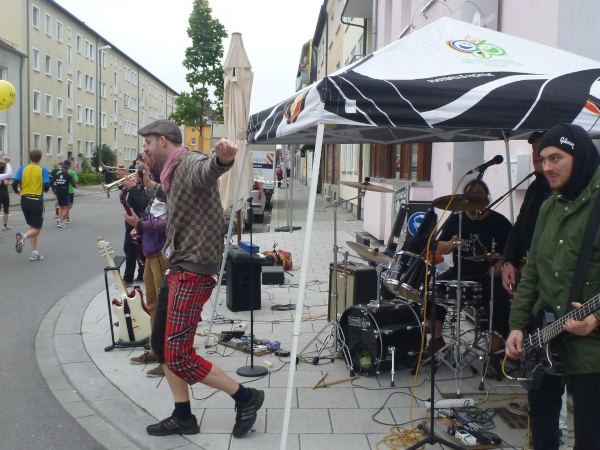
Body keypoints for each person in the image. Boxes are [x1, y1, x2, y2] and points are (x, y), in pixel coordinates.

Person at [138, 119, 264, 438]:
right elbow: (170, 193)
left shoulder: (188, 162)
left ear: (163, 141)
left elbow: (207, 170)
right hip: (179, 266)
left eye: (148, 142)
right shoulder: (170, 173)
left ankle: (246, 397)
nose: (145, 148)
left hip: (194, 269)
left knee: (179, 356)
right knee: (161, 346)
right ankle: (183, 416)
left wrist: (222, 159)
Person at [506, 123, 600, 450]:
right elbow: (533, 272)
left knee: (590, 435)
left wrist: (596, 318)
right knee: (542, 429)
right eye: (543, 158)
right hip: (544, 334)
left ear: (579, 157)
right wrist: (517, 325)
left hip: (592, 349)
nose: (546, 166)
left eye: (555, 157)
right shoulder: (549, 205)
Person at [430, 179, 513, 373]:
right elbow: (438, 247)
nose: (475, 197)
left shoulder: (500, 222)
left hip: (488, 274)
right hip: (460, 272)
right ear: (464, 198)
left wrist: (501, 265)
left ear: (487, 198)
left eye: (479, 193)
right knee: (433, 287)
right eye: (471, 193)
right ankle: (436, 339)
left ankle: (495, 351)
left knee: (499, 296)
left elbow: (513, 251)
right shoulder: (456, 219)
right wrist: (451, 244)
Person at [125, 152, 168, 378]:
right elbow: (151, 209)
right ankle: (155, 349)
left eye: (147, 153)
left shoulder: (167, 179)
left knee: (163, 307)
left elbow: (168, 221)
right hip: (151, 250)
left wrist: (140, 225)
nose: (142, 160)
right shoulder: (156, 182)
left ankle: (166, 358)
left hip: (161, 251)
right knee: (152, 305)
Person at [12, 149, 50, 261]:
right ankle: (23, 236)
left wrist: (18, 191)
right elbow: (46, 187)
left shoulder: (22, 168)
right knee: (37, 229)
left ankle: (34, 253)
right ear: (40, 158)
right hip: (36, 200)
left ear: (30, 157)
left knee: (32, 227)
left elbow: (14, 184)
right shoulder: (43, 170)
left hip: (24, 200)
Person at [116, 165, 150, 285]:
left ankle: (134, 276)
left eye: (138, 173)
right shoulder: (134, 185)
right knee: (129, 249)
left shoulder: (147, 187)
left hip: (141, 221)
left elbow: (143, 202)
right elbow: (124, 196)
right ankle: (131, 276)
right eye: (135, 172)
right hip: (130, 222)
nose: (136, 175)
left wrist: (133, 187)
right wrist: (124, 182)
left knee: (138, 250)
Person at [52, 164, 77, 228]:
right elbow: (73, 183)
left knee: (61, 206)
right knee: (66, 208)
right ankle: (60, 222)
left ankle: (59, 219)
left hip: (58, 193)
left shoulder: (57, 176)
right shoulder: (68, 176)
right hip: (65, 193)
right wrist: (75, 186)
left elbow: (51, 182)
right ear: (66, 170)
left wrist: (54, 188)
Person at [0, 155, 14, 232]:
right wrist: (10, 183)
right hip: (4, 193)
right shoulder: (4, 176)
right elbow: (5, 183)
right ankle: (5, 225)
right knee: (6, 209)